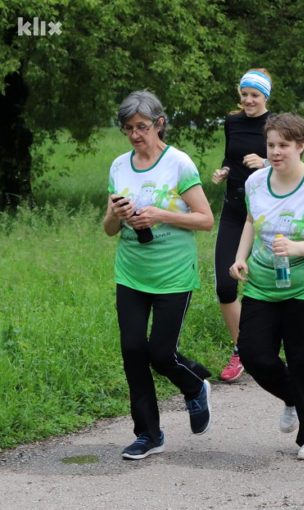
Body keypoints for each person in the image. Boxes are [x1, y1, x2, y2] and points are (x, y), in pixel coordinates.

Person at [103, 90, 215, 460]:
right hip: (131, 272)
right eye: (128, 128)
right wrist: (117, 215)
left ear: (159, 124)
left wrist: (160, 215)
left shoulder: (179, 163)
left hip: (173, 273)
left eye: (142, 127)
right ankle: (148, 434)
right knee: (133, 351)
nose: (136, 135)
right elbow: (108, 229)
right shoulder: (119, 166)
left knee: (161, 353)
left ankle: (195, 384)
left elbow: (205, 219)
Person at [229, 113, 304, 461]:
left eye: (283, 145)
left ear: (301, 146)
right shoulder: (256, 182)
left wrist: (297, 248)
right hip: (263, 283)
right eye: (271, 145)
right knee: (253, 354)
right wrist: (240, 257)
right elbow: (251, 220)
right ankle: (293, 396)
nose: (276, 152)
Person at [211, 69, 273, 383]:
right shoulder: (232, 122)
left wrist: (266, 163)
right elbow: (229, 158)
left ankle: (277, 343)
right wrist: (224, 171)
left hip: (267, 213)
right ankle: (241, 349)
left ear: (265, 98)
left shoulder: (275, 125)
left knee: (271, 284)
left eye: (255, 95)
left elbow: (292, 164)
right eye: (245, 94)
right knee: (225, 283)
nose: (248, 100)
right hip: (234, 209)